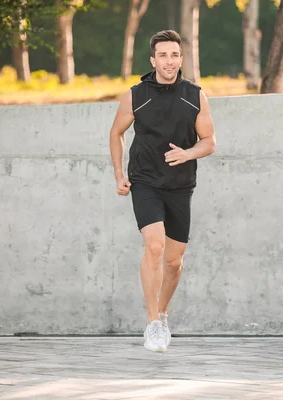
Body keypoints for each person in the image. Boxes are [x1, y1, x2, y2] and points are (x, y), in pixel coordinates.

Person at [109, 30, 216, 352]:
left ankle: (164, 312)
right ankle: (153, 323)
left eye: (175, 55)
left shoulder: (194, 95)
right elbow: (116, 133)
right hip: (144, 181)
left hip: (180, 186)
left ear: (181, 59)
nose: (169, 61)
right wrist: (118, 173)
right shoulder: (135, 95)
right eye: (163, 55)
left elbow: (210, 142)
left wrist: (187, 153)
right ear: (153, 60)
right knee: (154, 248)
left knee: (173, 262)